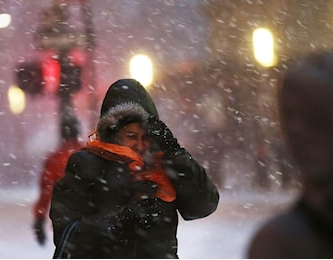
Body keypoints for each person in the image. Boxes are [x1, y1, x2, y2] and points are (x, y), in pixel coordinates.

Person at [50, 78, 220, 258]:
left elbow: (203, 205)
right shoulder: (86, 164)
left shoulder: (162, 165)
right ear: (112, 133)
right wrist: (122, 219)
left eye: (145, 136)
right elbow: (67, 236)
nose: (140, 144)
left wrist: (175, 153)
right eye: (131, 136)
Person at [247, 49, 333, 258]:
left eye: (318, 118)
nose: (297, 131)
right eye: (290, 116)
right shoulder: (283, 241)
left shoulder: (286, 240)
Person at [32, 116, 83, 246]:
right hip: (88, 215)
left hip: (64, 216)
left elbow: (46, 190)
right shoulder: (88, 154)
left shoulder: (54, 159)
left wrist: (39, 218)